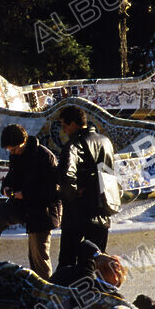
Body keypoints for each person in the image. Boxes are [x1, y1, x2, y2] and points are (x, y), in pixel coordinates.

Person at [0, 124, 61, 279]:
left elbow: (53, 190)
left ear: (24, 141)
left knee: (38, 256)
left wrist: (26, 194)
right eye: (10, 150)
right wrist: (6, 188)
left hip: (42, 211)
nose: (13, 153)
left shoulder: (44, 156)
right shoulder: (15, 156)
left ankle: (45, 287)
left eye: (14, 149)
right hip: (21, 206)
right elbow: (10, 177)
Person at [57, 106, 117, 268]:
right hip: (102, 207)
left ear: (73, 124)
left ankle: (69, 285)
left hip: (79, 211)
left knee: (67, 261)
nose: (63, 130)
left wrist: (73, 195)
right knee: (97, 260)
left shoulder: (73, 145)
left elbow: (66, 176)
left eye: (64, 125)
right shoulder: (105, 141)